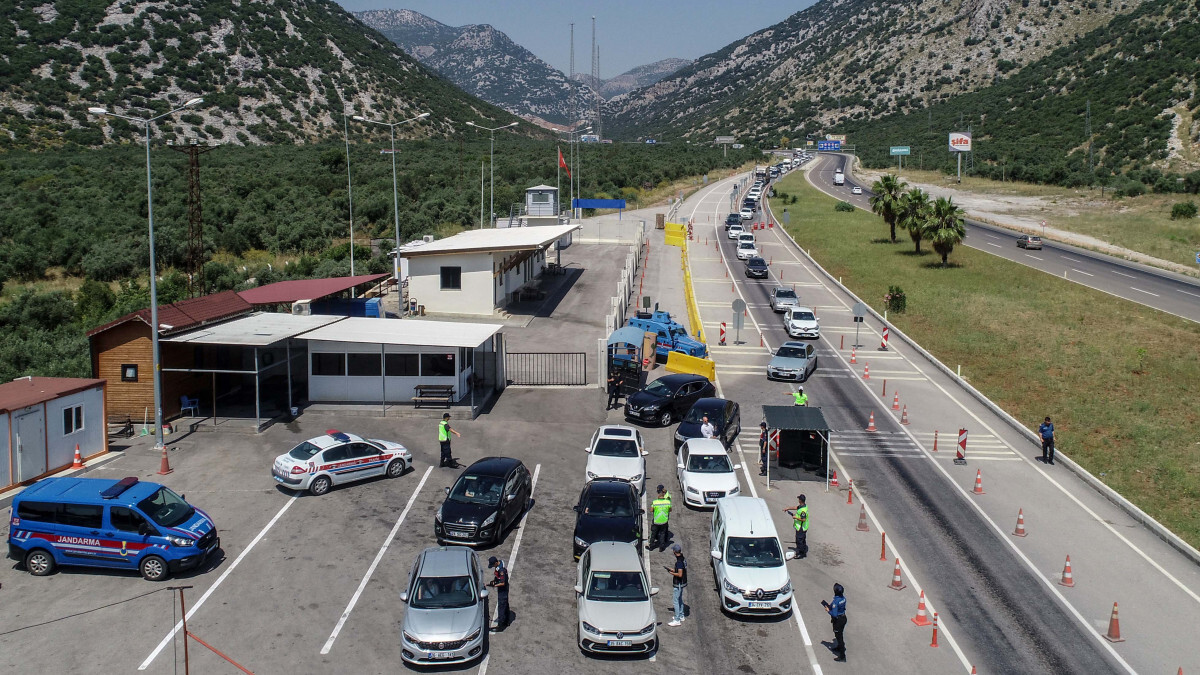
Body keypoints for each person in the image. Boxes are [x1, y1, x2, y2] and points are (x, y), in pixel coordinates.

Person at [821, 583, 847, 662]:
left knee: (839, 637)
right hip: (843, 618)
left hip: (838, 620)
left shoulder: (836, 602)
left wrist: (828, 611)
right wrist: (830, 606)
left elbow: (834, 614)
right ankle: (839, 647)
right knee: (840, 634)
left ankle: (842, 656)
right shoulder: (843, 598)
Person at [665, 544, 688, 626]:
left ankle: (677, 619)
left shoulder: (679, 562)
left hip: (678, 583)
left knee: (675, 601)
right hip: (682, 583)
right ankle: (681, 615)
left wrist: (672, 573)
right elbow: (680, 569)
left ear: (674, 551)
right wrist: (673, 569)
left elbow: (680, 574)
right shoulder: (682, 558)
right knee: (680, 600)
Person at [487, 556, 510, 630]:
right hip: (503, 589)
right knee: (505, 604)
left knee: (501, 605)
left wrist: (495, 585)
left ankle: (500, 625)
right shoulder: (499, 565)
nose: (493, 566)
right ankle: (507, 620)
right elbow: (497, 577)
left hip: (503, 590)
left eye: (493, 565)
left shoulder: (501, 570)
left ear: (496, 563)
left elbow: (502, 583)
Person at [783, 494, 809, 559]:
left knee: (799, 540)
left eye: (799, 499)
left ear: (800, 500)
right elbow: (796, 508)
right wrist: (788, 508)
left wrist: (796, 517)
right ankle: (803, 549)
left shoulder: (803, 511)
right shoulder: (802, 506)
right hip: (802, 527)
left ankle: (801, 553)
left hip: (801, 528)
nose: (798, 500)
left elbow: (803, 519)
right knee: (802, 539)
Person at [648, 485, 672, 552]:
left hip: (656, 521)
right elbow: (670, 510)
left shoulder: (655, 502)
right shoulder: (667, 501)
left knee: (653, 533)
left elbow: (651, 510)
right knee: (662, 533)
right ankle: (661, 547)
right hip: (664, 520)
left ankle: (651, 546)